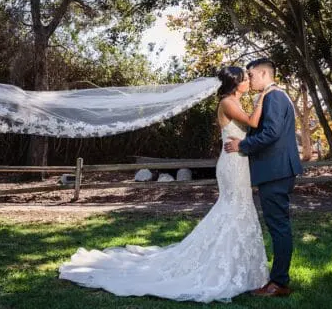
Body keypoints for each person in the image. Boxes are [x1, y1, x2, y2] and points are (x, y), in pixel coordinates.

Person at [58, 66, 271, 303]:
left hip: (239, 160)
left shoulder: (235, 101)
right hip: (232, 164)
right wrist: (264, 95)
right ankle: (223, 265)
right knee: (234, 207)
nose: (248, 82)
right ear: (235, 84)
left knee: (237, 208)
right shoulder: (228, 102)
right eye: (244, 79)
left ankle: (238, 265)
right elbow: (253, 122)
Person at [224, 58, 304, 297]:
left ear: (263, 73)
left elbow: (271, 133)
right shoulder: (272, 96)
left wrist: (242, 145)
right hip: (276, 170)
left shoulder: (274, 97)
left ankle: (279, 283)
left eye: (250, 75)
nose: (248, 80)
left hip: (276, 171)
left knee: (279, 227)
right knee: (278, 225)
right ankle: (278, 280)